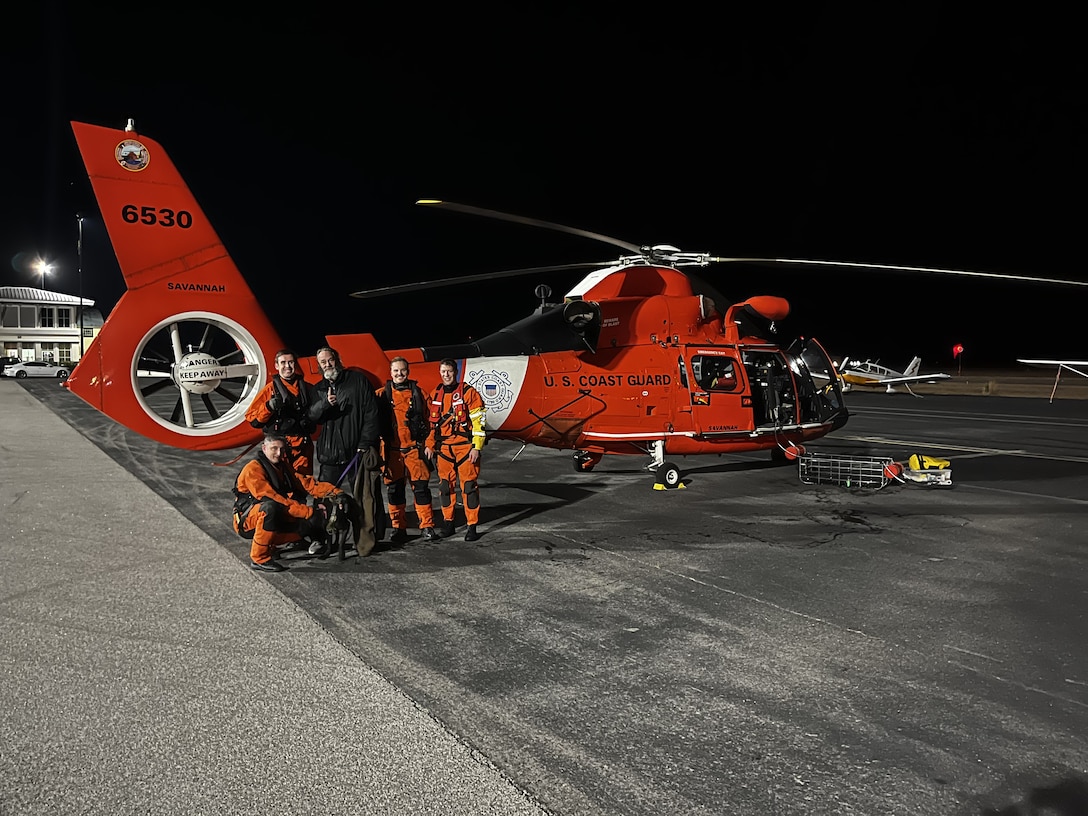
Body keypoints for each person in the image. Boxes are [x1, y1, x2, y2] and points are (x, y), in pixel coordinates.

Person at [308, 345, 385, 556]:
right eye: (323, 362)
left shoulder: (358, 382)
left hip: (357, 452)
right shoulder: (318, 389)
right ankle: (320, 539)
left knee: (366, 498)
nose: (327, 364)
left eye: (330, 360)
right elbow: (312, 417)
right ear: (319, 366)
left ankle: (370, 539)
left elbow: (371, 414)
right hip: (330, 455)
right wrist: (325, 404)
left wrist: (365, 442)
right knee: (323, 501)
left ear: (337, 359)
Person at [232, 433, 348, 571]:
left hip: (268, 512)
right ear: (264, 448)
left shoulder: (283, 466)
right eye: (274, 448)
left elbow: (308, 484)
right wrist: (308, 512)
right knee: (270, 508)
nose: (278, 453)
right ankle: (259, 558)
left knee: (307, 523)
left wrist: (336, 493)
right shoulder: (253, 469)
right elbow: (272, 498)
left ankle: (271, 545)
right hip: (246, 521)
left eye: (282, 449)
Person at [377, 356, 437, 543]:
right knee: (394, 491)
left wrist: (430, 445)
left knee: (421, 489)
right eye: (396, 371)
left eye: (402, 370)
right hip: (392, 451)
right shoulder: (380, 395)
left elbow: (432, 423)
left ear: (408, 372)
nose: (399, 374)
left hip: (415, 450)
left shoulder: (420, 394)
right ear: (390, 372)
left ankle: (426, 526)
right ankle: (398, 528)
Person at [424, 358, 486, 542]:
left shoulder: (469, 393)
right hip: (444, 450)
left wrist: (477, 447)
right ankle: (448, 523)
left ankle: (472, 526)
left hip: (465, 449)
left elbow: (479, 422)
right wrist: (429, 445)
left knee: (469, 488)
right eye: (443, 372)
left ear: (455, 372)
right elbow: (431, 426)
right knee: (445, 488)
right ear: (440, 373)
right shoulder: (436, 394)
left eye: (449, 371)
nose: (446, 375)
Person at [245, 348, 317, 475]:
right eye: (283, 363)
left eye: (291, 362)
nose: (287, 366)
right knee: (280, 485)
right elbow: (253, 419)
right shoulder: (270, 390)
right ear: (276, 366)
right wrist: (269, 407)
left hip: (303, 448)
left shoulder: (308, 388)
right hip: (279, 449)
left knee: (303, 485)